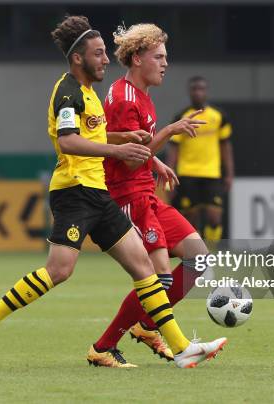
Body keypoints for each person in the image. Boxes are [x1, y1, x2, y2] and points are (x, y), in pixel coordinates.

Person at [0, 15, 226, 369]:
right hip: (74, 192)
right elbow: (69, 141)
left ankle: (180, 348)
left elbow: (95, 134)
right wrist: (122, 149)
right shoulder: (68, 91)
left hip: (98, 193)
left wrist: (126, 141)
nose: (105, 60)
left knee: (146, 271)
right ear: (77, 58)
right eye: (99, 54)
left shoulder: (88, 93)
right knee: (60, 270)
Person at [86, 23, 220, 367]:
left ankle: (148, 324)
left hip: (146, 192)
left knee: (199, 258)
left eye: (165, 57)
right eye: (158, 57)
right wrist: (171, 132)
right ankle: (104, 346)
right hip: (127, 196)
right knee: (156, 277)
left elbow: (136, 145)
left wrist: (156, 162)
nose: (165, 64)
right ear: (136, 58)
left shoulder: (140, 96)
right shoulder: (123, 99)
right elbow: (128, 159)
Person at [167, 76, 235, 243]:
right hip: (188, 173)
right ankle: (196, 257)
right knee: (191, 221)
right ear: (190, 92)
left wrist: (229, 174)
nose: (198, 92)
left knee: (214, 219)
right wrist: (169, 175)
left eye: (201, 89)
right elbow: (173, 147)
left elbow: (225, 146)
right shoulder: (182, 117)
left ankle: (210, 256)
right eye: (195, 89)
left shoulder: (218, 117)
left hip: (211, 173)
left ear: (206, 92)